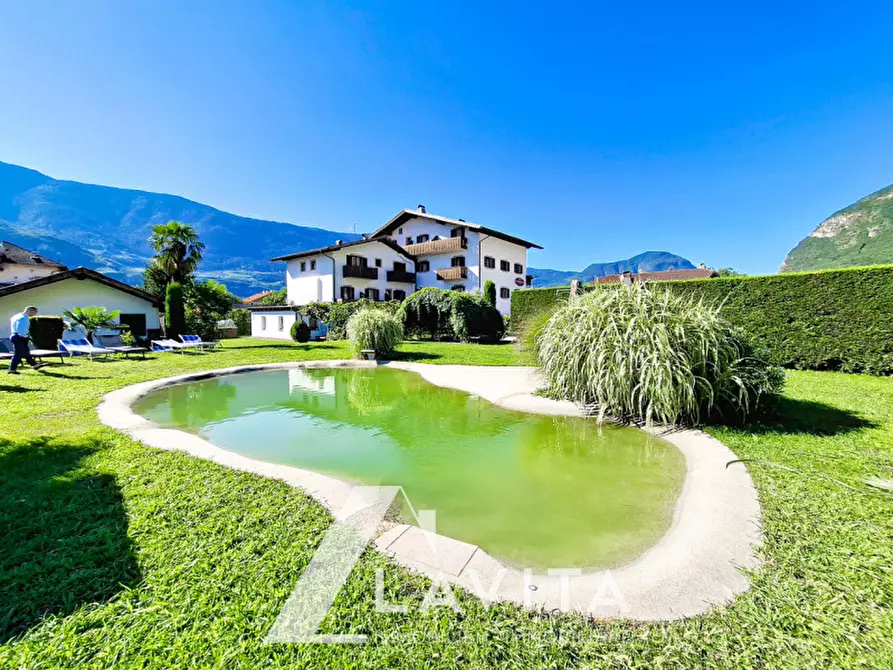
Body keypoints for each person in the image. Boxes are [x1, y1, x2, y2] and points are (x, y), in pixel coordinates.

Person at [8, 306, 46, 374]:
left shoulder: (16, 316)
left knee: (26, 352)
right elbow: (21, 329)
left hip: (15, 336)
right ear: (30, 310)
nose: (34, 314)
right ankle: (12, 369)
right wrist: (25, 336)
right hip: (19, 337)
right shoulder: (24, 318)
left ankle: (35, 365)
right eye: (34, 312)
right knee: (18, 354)